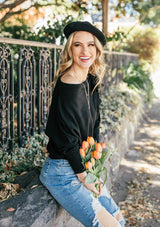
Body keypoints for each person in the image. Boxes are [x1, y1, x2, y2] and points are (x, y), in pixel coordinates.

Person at [40, 21, 125, 227]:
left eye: (90, 45)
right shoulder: (68, 84)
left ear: (97, 49)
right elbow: (68, 139)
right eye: (78, 45)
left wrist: (93, 167)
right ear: (70, 48)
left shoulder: (90, 80)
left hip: (83, 166)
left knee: (119, 221)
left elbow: (94, 127)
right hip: (63, 172)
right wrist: (84, 176)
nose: (84, 51)